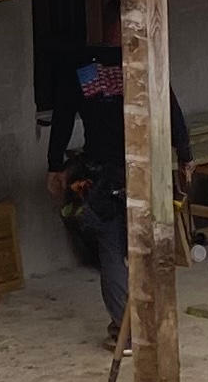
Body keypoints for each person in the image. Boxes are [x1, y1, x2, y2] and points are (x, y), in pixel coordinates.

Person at [49, 57, 190, 344]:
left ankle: (132, 329)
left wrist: (54, 163)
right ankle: (135, 329)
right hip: (125, 173)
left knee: (118, 251)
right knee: (127, 249)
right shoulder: (140, 65)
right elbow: (170, 110)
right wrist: (185, 154)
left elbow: (62, 116)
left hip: (122, 172)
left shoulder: (90, 69)